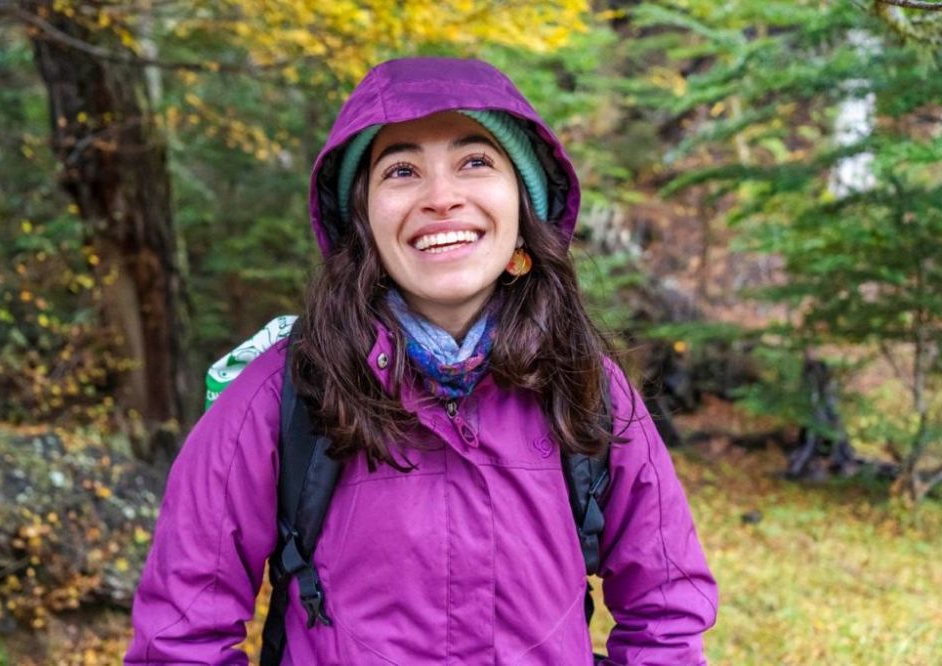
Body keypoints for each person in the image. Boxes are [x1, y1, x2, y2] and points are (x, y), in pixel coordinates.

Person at [126, 56, 718, 665]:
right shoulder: (281, 395)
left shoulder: (586, 385)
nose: (441, 198)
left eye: (475, 162)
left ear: (524, 207)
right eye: (402, 170)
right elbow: (179, 641)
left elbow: (667, 612)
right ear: (362, 221)